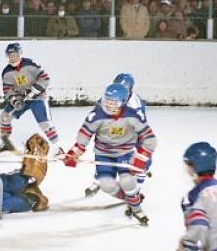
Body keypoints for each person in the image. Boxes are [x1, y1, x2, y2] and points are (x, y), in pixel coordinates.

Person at [63, 83, 156, 225]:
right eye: (107, 101)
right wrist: (74, 153)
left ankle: (136, 208)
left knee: (128, 181)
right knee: (107, 185)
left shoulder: (134, 116)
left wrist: (141, 158)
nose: (109, 106)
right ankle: (130, 199)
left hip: (125, 154)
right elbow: (84, 137)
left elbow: (150, 139)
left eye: (114, 103)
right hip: (103, 155)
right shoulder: (96, 115)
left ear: (123, 102)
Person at [85, 73, 148, 197]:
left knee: (143, 153)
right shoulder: (110, 97)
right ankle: (100, 178)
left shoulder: (135, 103)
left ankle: (138, 183)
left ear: (130, 90)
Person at [0, 42, 60, 152]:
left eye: (15, 55)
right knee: (5, 116)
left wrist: (35, 89)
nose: (13, 58)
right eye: (10, 56)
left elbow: (45, 78)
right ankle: (5, 144)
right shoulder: (6, 72)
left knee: (44, 123)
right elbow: (8, 90)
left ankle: (58, 148)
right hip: (21, 99)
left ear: (20, 54)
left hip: (37, 98)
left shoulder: (30, 64)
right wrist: (15, 100)